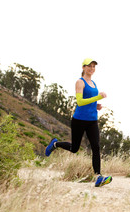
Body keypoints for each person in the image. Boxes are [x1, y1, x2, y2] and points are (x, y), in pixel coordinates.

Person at [45, 58, 112, 187]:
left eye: (93, 66)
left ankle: (98, 176)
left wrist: (96, 104)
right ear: (83, 67)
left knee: (96, 147)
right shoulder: (79, 82)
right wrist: (98, 97)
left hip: (92, 120)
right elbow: (80, 102)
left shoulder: (93, 83)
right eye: (89, 66)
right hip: (79, 120)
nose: (92, 68)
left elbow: (89, 100)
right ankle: (55, 144)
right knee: (74, 148)